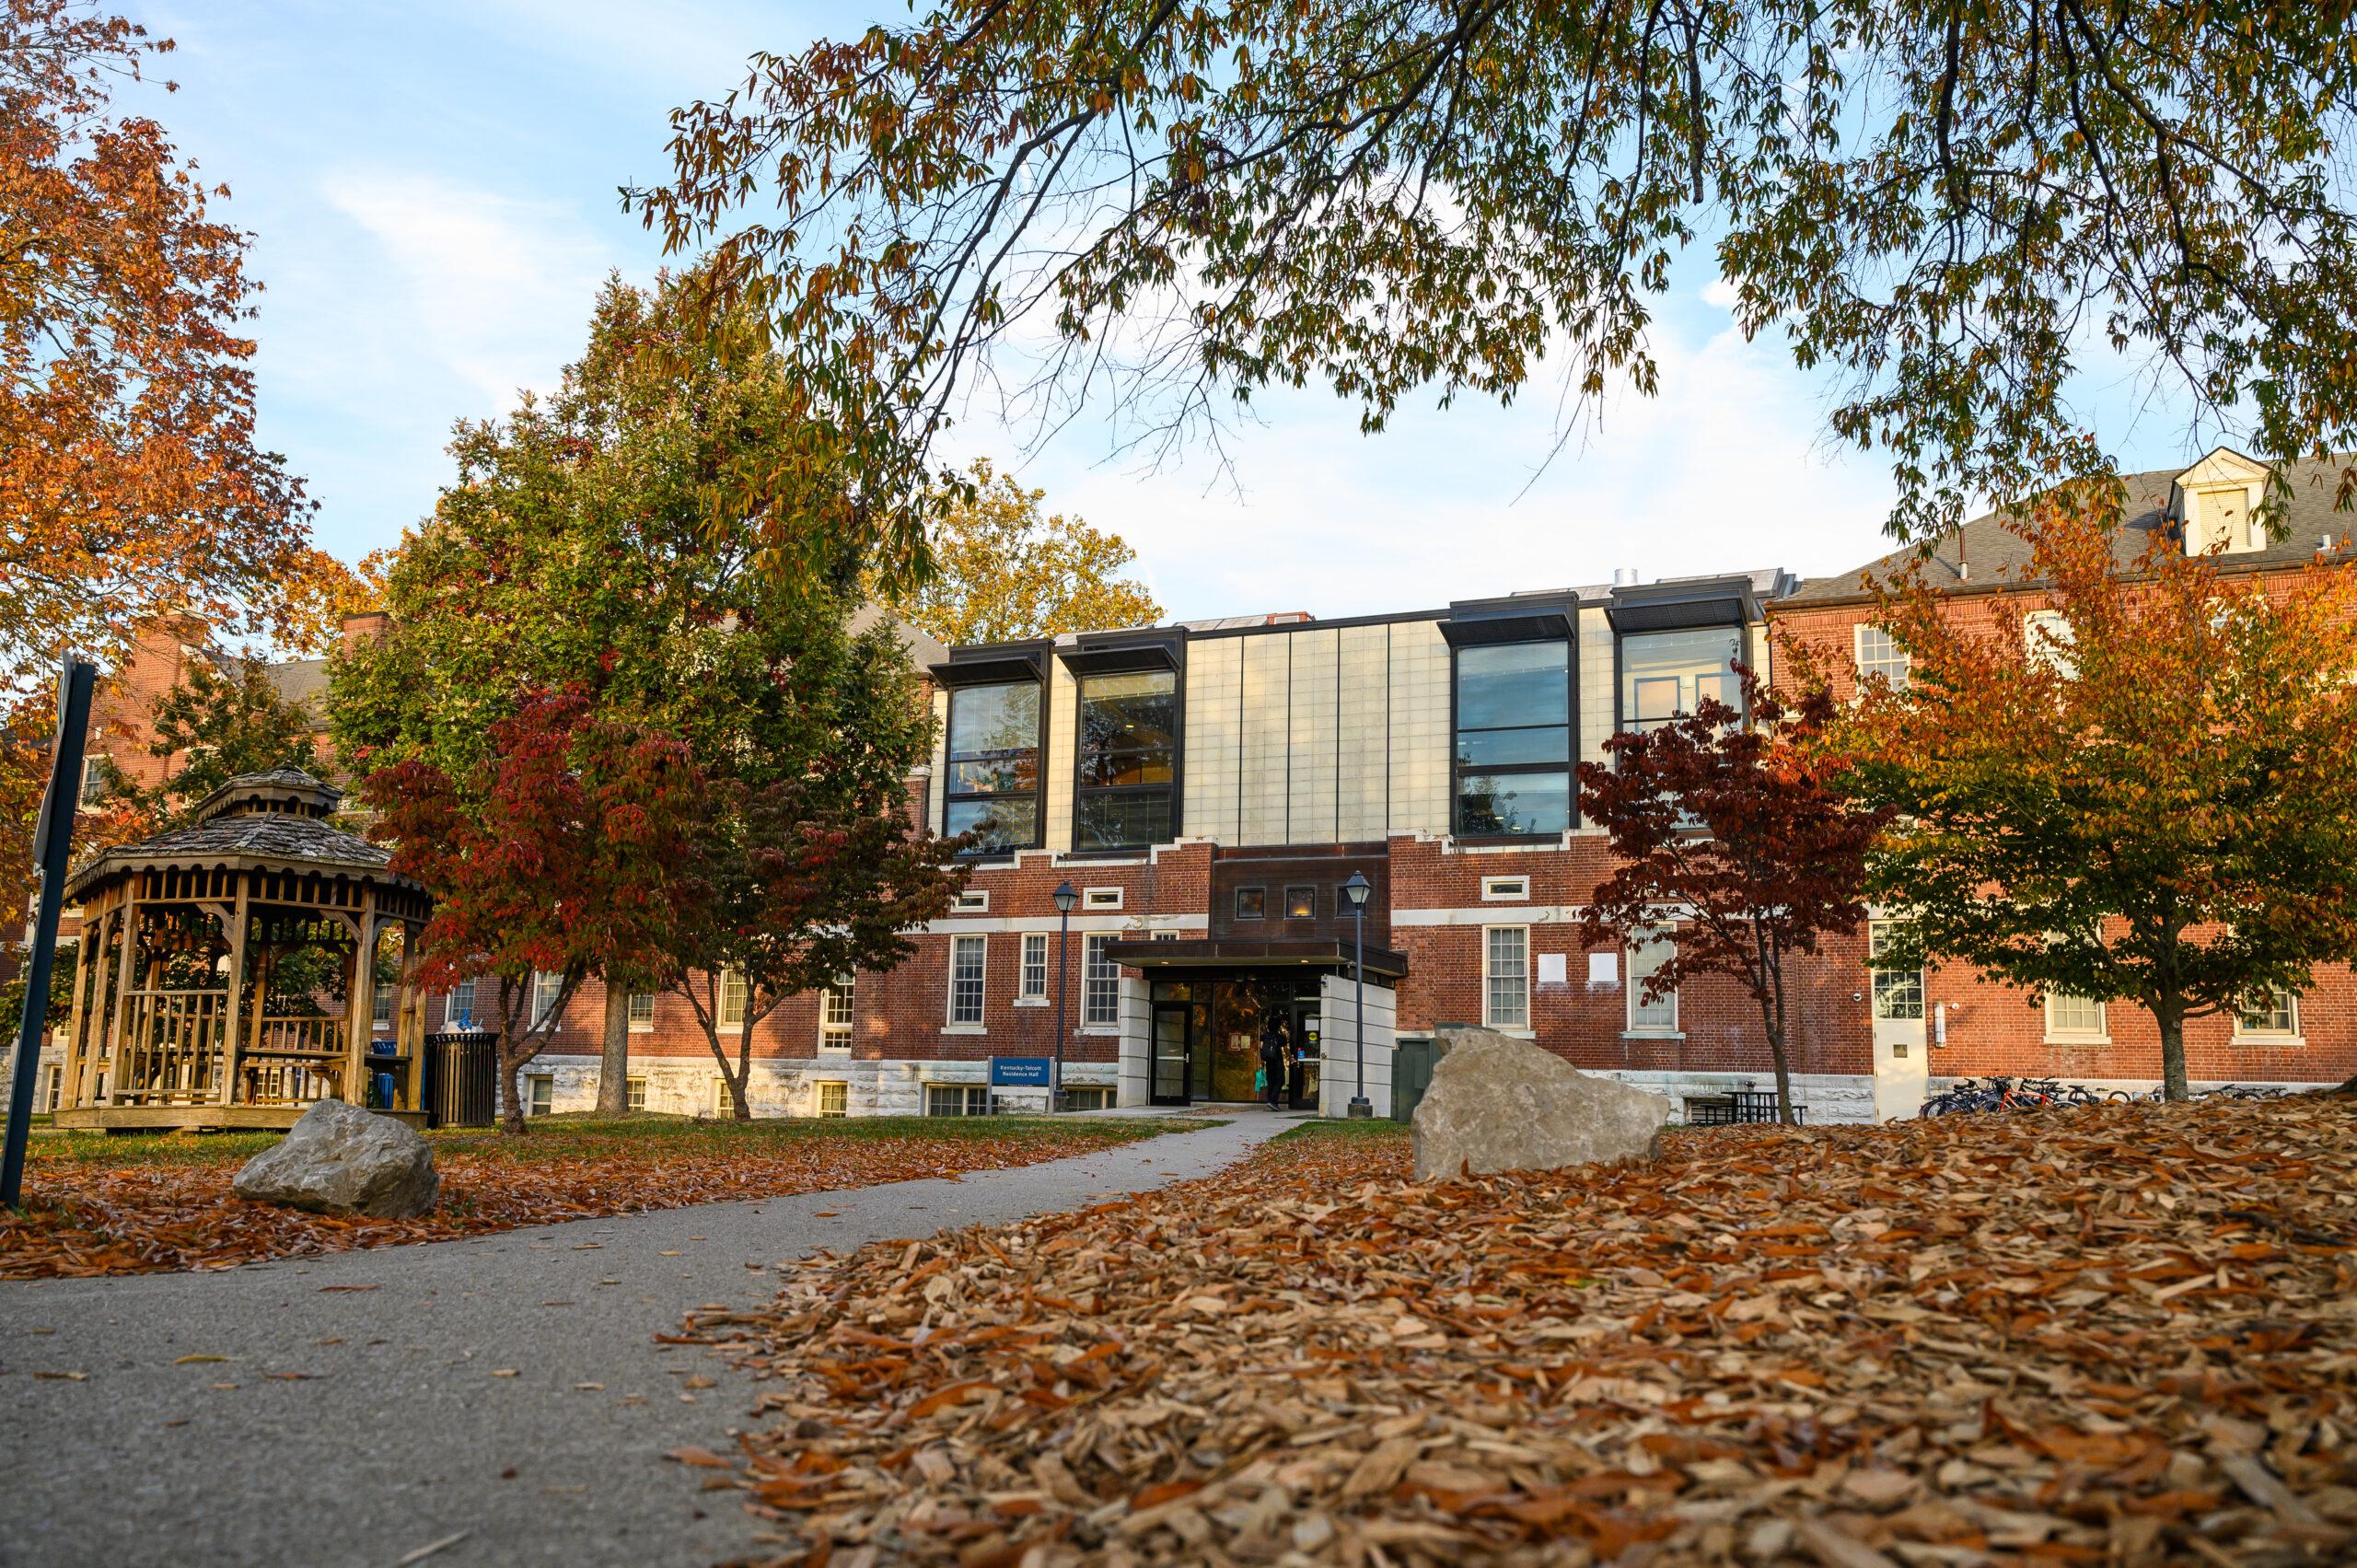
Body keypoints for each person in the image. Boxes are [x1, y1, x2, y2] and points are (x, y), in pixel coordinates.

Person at [1259, 1019, 1286, 1108]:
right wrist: (1290, 1057)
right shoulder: (1280, 1037)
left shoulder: (1264, 1036)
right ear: (1278, 1027)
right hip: (1277, 1062)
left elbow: (1261, 1048)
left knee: (1271, 1081)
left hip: (1269, 1062)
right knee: (1280, 1080)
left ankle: (1270, 1100)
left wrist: (1262, 1061)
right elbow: (1285, 1047)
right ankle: (1273, 1101)